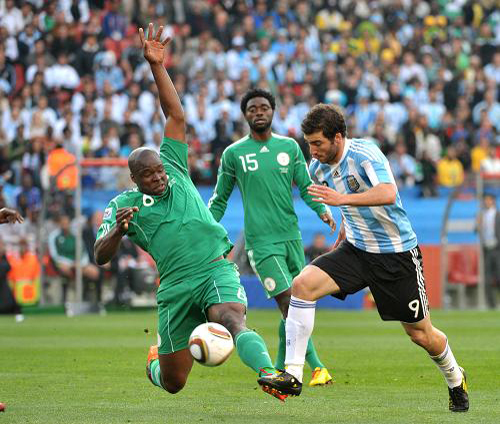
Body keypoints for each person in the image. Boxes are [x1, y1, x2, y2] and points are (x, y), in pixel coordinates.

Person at [94, 24, 284, 401]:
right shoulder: (122, 206)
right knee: (174, 382)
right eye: (148, 175)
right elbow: (99, 255)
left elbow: (175, 115)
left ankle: (269, 373)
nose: (159, 178)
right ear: (134, 178)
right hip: (175, 287)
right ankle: (154, 362)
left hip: (214, 267)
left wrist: (157, 66)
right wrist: (117, 232)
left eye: (160, 170)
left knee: (231, 318)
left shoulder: (175, 168)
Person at [258, 104, 469, 412]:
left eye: (318, 143)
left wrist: (342, 200)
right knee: (302, 285)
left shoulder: (365, 154)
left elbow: (387, 192)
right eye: (309, 144)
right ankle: (293, 374)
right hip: (356, 250)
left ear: (338, 137)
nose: (312, 151)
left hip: (396, 255)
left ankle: (454, 376)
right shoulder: (318, 167)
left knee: (421, 335)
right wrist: (343, 230)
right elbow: (349, 204)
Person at [208, 88, 335, 386]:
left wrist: (323, 211)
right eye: (252, 109)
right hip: (261, 242)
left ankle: (278, 367)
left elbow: (305, 186)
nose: (258, 112)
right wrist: (204, 229)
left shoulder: (289, 148)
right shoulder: (234, 154)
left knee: (297, 305)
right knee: (290, 302)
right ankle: (316, 367)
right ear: (245, 115)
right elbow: (219, 199)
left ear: (273, 111)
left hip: (291, 237)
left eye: (264, 107)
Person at [476, 193, 500, 309]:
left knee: (499, 275)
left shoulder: (497, 214)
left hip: (497, 249)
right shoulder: (482, 215)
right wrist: (477, 224)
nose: (487, 202)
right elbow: (477, 230)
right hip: (486, 249)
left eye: (489, 200)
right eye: (485, 200)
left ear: (493, 201)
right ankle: (492, 304)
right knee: (487, 277)